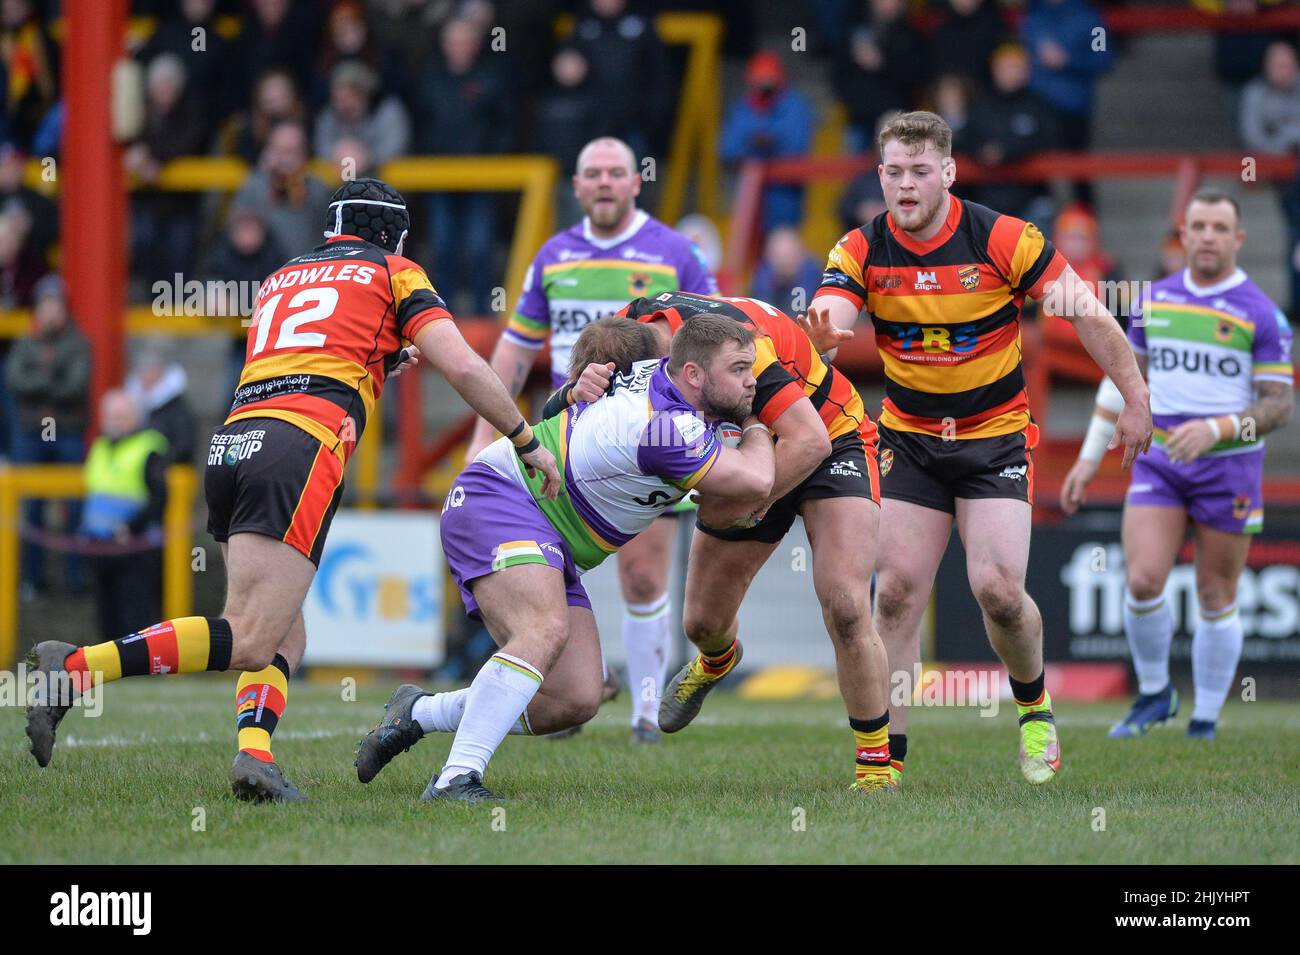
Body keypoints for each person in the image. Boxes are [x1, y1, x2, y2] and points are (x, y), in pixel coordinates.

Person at [25, 178, 562, 803]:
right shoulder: (396, 271)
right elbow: (468, 365)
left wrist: (380, 359)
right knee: (250, 634)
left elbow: (303, 353)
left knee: (284, 635)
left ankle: (254, 758)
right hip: (299, 447)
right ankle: (79, 668)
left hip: (234, 442)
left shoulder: (284, 276)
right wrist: (525, 438)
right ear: (393, 234)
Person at [804, 111, 1152, 785]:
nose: (906, 185)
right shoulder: (859, 248)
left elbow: (1086, 311)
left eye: (920, 171)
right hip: (910, 440)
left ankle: (1034, 707)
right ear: (879, 176)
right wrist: (821, 334)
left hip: (994, 440)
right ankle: (882, 765)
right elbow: (833, 315)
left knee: (996, 589)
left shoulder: (1003, 238)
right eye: (894, 172)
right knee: (897, 594)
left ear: (949, 173)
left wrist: (1135, 397)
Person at [356, 315, 775, 802]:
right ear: (694, 375)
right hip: (501, 498)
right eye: (740, 368)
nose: (754, 379)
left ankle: (419, 712)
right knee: (543, 630)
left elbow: (618, 350)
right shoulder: (668, 429)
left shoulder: (666, 381)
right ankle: (455, 779)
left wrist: (574, 389)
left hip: (548, 535)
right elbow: (758, 481)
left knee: (576, 698)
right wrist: (757, 420)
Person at [563, 291, 896, 792]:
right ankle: (717, 659)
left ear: (684, 369)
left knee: (847, 604)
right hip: (754, 441)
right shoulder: (623, 338)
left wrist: (751, 503)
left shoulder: (736, 352)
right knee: (702, 622)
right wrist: (572, 393)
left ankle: (875, 769)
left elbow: (810, 440)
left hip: (831, 438)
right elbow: (565, 413)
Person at [467, 136, 719, 743]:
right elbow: (515, 351)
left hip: (651, 435)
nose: (604, 183)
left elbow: (715, 335)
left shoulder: (676, 252)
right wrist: (485, 433)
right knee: (547, 572)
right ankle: (569, 693)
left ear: (637, 183)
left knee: (640, 573)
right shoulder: (552, 257)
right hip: (566, 437)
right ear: (576, 187)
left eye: (616, 173)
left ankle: (644, 715)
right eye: (592, 174)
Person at [1061, 191, 1295, 740]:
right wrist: (1089, 457)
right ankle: (1153, 695)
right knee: (1142, 581)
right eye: (1199, 226)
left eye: (1220, 227)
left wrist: (1216, 428)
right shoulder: (1152, 302)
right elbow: (1125, 381)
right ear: (1183, 236)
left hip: (1229, 468)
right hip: (1160, 460)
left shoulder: (1262, 313)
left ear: (1237, 239)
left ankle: (1206, 716)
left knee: (1217, 594)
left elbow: (1278, 407)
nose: (1209, 236)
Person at [4, 274, 90, 600]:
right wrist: (52, 380)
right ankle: (31, 580)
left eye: (56, 305)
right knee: (32, 508)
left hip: (65, 432)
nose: (51, 312)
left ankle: (75, 579)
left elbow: (76, 387)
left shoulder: (79, 342)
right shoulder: (25, 343)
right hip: (31, 434)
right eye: (45, 305)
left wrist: (39, 384)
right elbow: (14, 382)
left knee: (74, 508)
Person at [81, 390, 169, 641]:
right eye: (110, 415)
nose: (114, 421)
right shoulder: (100, 446)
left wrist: (131, 528)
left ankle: (140, 670)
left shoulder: (149, 447)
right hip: (100, 545)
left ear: (136, 417)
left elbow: (159, 498)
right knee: (106, 613)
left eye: (121, 415)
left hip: (134, 546)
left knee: (136, 614)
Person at [721, 50, 814, 230]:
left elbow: (797, 146)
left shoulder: (794, 106)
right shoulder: (743, 107)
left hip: (784, 191)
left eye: (769, 80)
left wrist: (768, 141)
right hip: (748, 191)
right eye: (760, 80)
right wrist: (754, 142)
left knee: (782, 241)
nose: (765, 86)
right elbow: (728, 149)